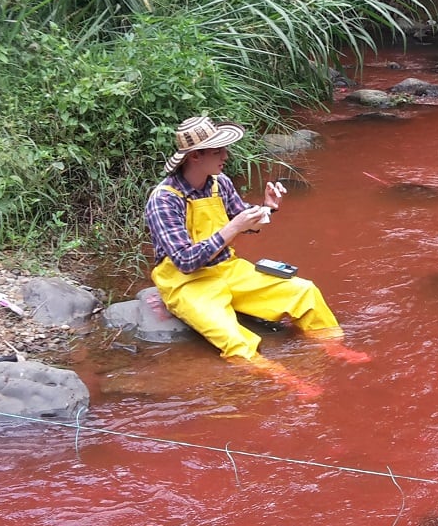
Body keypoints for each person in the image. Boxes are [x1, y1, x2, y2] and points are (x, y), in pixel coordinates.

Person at [145, 116, 369, 391]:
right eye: (218, 151)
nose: (226, 155)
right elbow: (185, 261)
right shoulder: (164, 199)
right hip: (185, 282)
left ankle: (333, 346)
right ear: (194, 156)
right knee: (234, 339)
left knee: (304, 291)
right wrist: (233, 227)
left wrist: (267, 208)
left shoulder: (220, 182)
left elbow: (244, 221)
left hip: (228, 268)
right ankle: (285, 379)